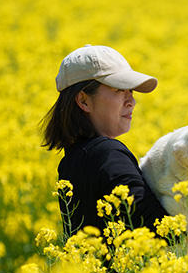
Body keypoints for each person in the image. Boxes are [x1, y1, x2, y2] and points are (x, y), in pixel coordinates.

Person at [41, 44, 168, 238]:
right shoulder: (108, 154)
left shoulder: (70, 161)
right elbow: (162, 232)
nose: (131, 101)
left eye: (131, 91)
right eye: (119, 90)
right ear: (83, 101)